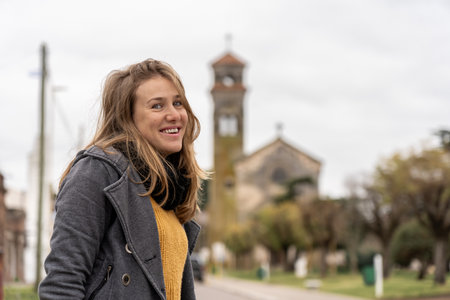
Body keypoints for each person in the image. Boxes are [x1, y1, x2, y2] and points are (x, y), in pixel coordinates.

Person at [39, 59, 207, 300]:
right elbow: (62, 284)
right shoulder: (96, 173)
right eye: (157, 106)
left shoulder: (168, 190)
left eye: (178, 103)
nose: (174, 114)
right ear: (127, 118)